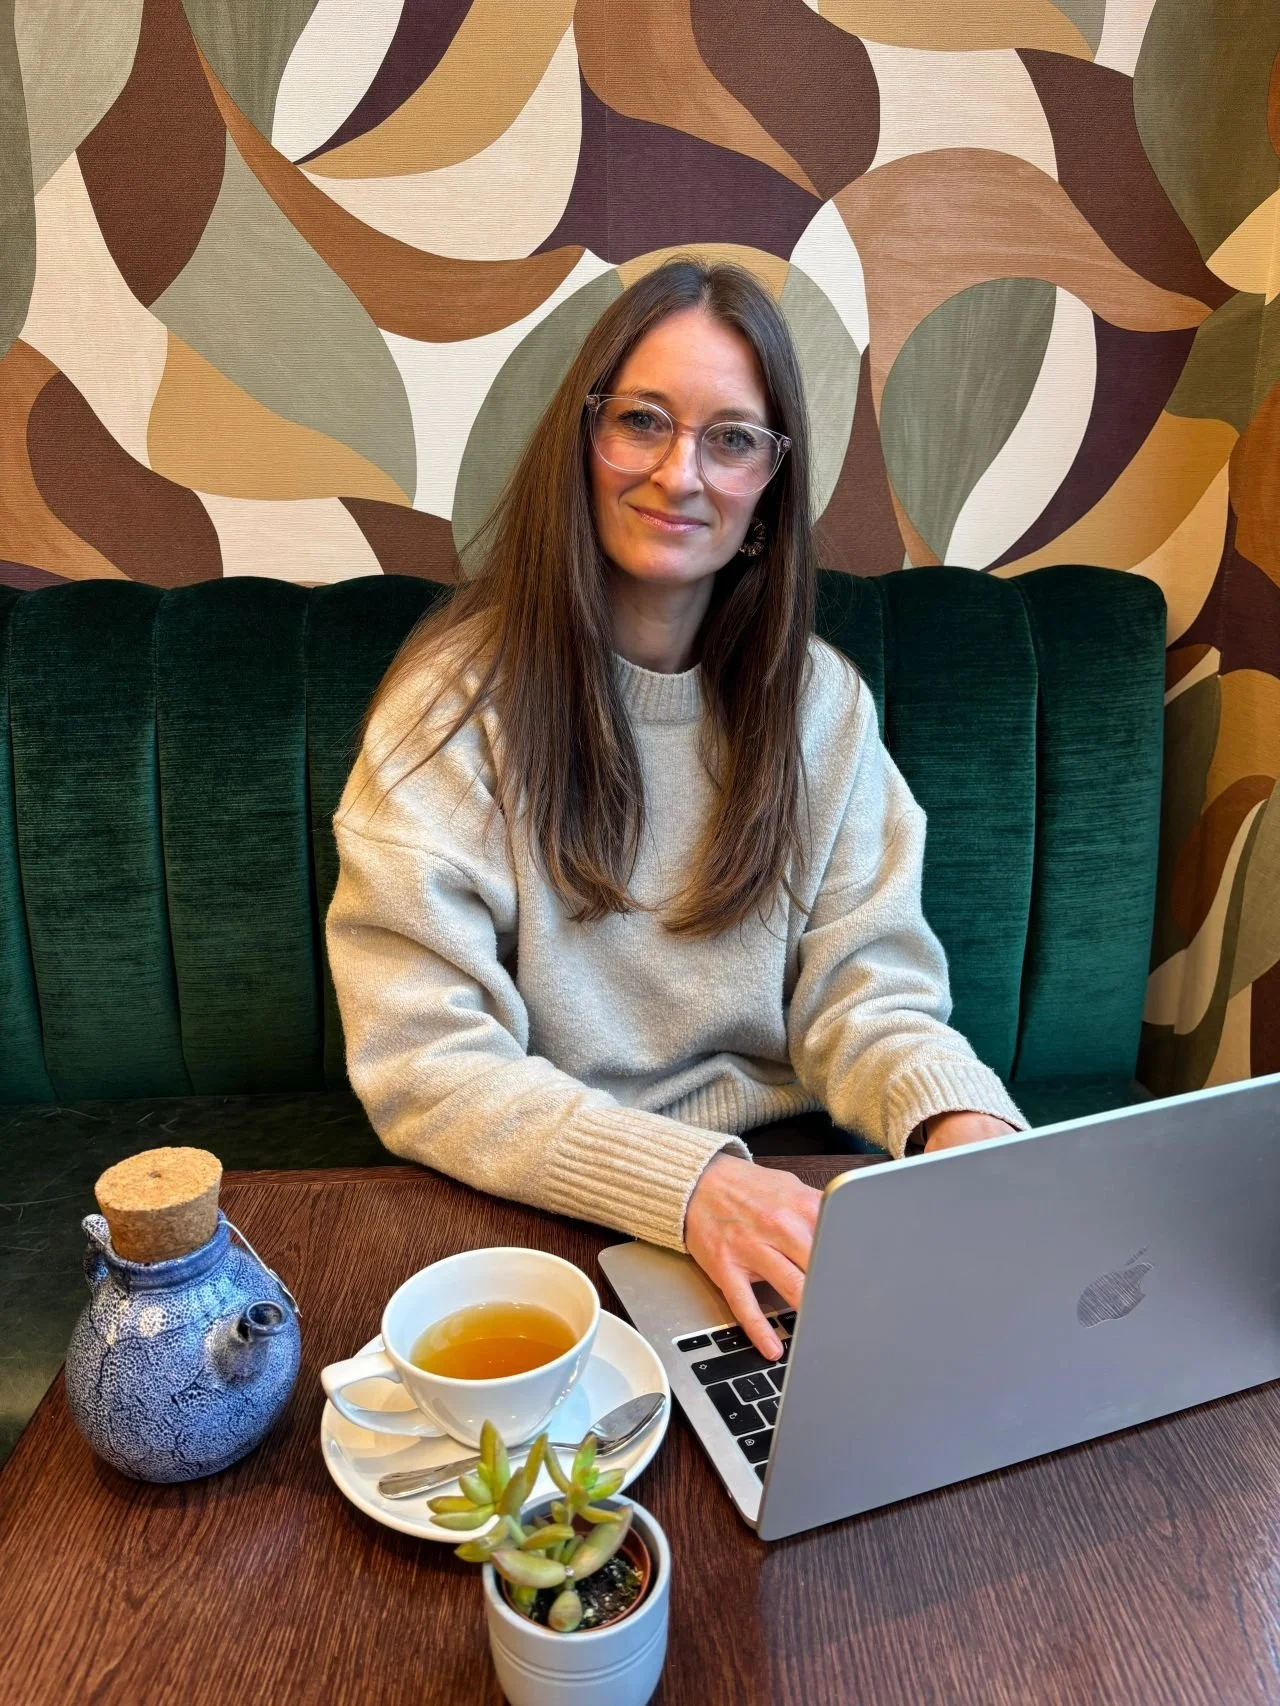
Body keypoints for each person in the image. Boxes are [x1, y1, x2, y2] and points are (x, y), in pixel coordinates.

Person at [327, 258, 1027, 1358]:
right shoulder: (451, 709)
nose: (678, 471)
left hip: (783, 1172)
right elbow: (425, 1063)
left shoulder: (822, 706)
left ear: (766, 494)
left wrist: (955, 1117)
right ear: (584, 442)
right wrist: (686, 1186)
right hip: (534, 1192)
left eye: (731, 437)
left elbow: (865, 991)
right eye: (641, 420)